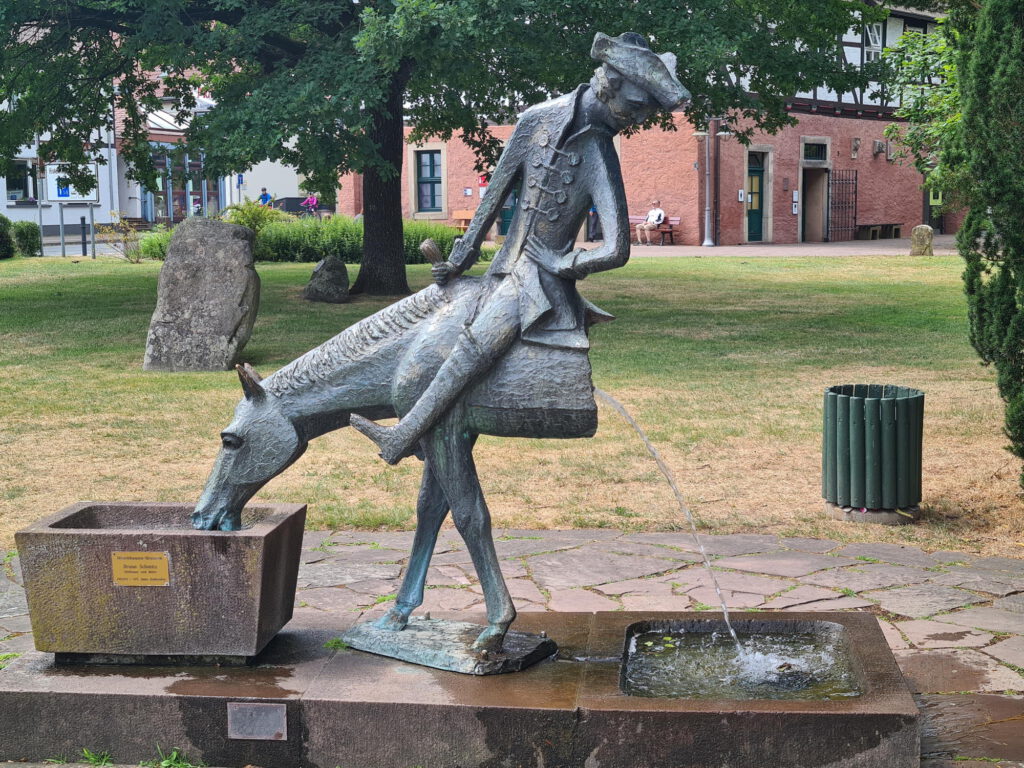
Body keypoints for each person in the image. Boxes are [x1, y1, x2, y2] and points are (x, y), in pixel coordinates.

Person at [350, 32, 690, 464]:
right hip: (499, 271)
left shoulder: (600, 152)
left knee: (473, 349)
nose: (640, 119)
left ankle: (404, 435)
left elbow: (617, 250)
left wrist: (563, 264)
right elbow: (493, 197)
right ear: (611, 82)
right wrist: (458, 261)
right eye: (639, 106)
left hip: (536, 284)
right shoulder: (537, 119)